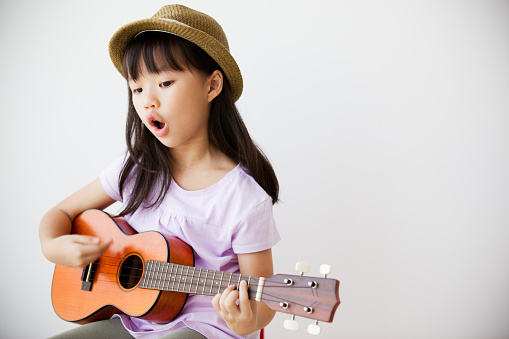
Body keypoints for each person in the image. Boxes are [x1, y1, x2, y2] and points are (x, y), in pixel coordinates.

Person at [39, 4, 280, 339]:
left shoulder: (244, 200)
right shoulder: (136, 168)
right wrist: (53, 246)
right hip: (133, 321)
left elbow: (263, 298)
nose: (147, 101)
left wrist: (246, 320)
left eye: (165, 82)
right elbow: (62, 212)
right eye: (137, 88)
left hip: (204, 329)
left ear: (212, 86)